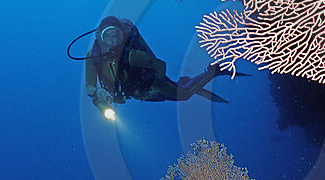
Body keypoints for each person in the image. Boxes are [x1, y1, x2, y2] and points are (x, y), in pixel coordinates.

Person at [85, 16, 228, 114]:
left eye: (115, 36)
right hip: (138, 94)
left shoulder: (131, 54)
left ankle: (212, 71)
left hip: (151, 86)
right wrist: (97, 91)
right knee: (175, 94)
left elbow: (160, 66)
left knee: (184, 94)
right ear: (100, 37)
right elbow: (89, 86)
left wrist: (155, 82)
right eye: (107, 37)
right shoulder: (93, 56)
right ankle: (183, 82)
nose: (111, 41)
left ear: (121, 36)